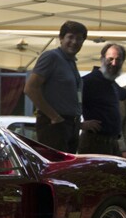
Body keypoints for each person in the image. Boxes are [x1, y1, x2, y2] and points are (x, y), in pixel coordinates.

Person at [24, 20, 87, 153]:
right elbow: (30, 88)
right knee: (56, 163)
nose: (74, 42)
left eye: (79, 38)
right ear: (61, 38)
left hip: (71, 125)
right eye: (70, 37)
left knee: (68, 164)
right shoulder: (51, 57)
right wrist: (54, 117)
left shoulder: (71, 62)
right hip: (55, 125)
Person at [78, 43, 126, 155]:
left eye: (118, 60)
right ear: (102, 59)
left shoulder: (111, 83)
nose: (114, 63)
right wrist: (80, 125)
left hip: (111, 143)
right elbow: (68, 103)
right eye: (110, 59)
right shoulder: (88, 81)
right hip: (94, 142)